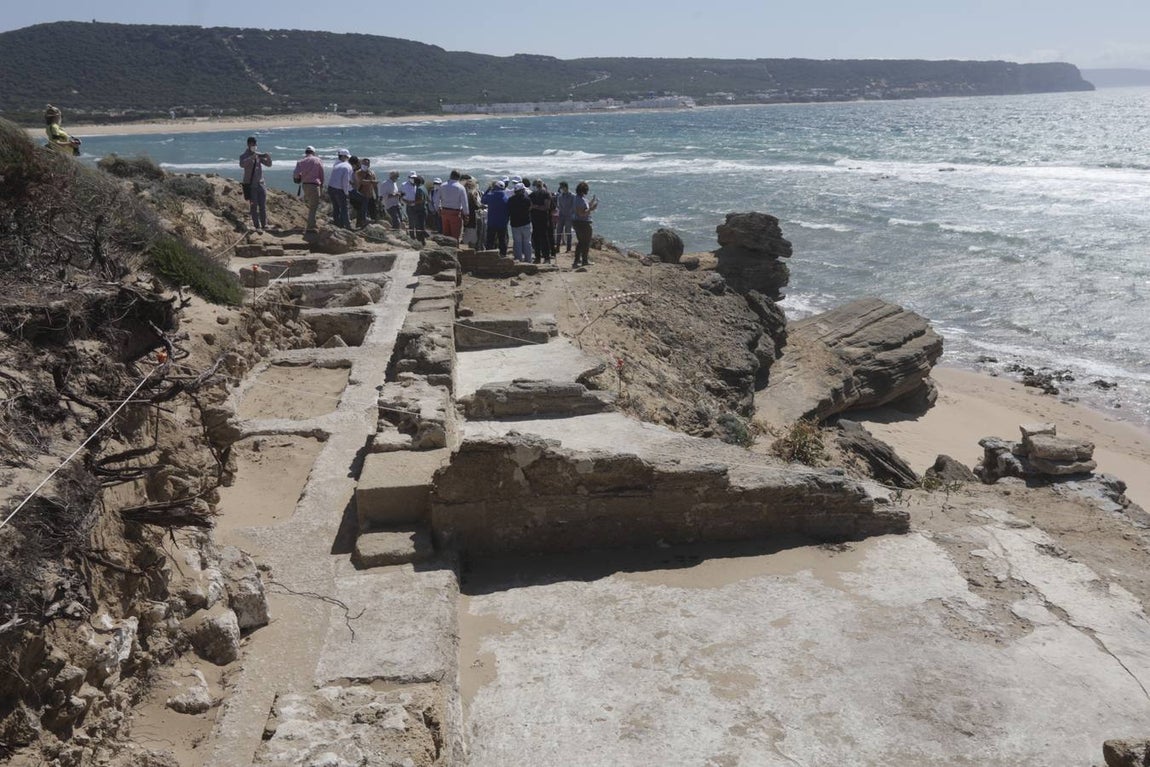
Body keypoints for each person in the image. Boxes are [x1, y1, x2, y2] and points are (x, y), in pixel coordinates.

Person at [239, 136, 272, 230]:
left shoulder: (258, 155)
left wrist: (268, 157)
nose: (255, 146)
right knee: (254, 206)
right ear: (249, 144)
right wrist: (251, 158)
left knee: (263, 205)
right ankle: (257, 226)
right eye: (253, 144)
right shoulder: (244, 156)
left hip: (261, 183)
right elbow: (242, 164)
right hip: (251, 185)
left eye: (256, 144)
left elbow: (269, 164)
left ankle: (264, 224)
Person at [292, 146, 325, 232]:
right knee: (314, 206)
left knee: (310, 204)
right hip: (314, 185)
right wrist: (321, 186)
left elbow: (295, 175)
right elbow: (321, 174)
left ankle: (311, 223)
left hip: (305, 185)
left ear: (306, 153)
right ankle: (311, 226)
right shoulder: (318, 160)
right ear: (313, 152)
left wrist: (300, 177)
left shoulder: (300, 162)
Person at [437, 169, 470, 241]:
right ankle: (454, 250)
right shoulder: (461, 187)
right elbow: (464, 202)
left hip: (444, 212)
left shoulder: (442, 185)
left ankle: (446, 250)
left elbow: (437, 199)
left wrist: (438, 208)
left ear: (450, 176)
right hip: (455, 213)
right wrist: (466, 214)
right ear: (459, 177)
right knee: (455, 236)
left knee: (446, 235)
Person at [572, 181, 598, 268]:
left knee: (581, 242)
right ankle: (584, 261)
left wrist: (592, 202)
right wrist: (591, 209)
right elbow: (581, 213)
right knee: (586, 242)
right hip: (582, 223)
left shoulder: (578, 198)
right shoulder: (579, 199)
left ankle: (577, 260)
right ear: (584, 190)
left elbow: (585, 207)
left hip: (578, 222)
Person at [528, 179, 554, 263]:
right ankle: (546, 258)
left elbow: (531, 207)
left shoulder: (532, 194)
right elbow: (546, 207)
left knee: (537, 238)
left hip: (535, 218)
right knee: (543, 238)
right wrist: (539, 207)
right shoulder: (546, 194)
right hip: (543, 218)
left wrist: (535, 207)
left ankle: (538, 257)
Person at [328, 149, 354, 229]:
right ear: (343, 156)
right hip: (339, 190)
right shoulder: (347, 167)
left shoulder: (336, 165)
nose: (347, 159)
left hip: (331, 188)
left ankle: (337, 225)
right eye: (346, 157)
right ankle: (347, 226)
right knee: (344, 208)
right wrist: (346, 193)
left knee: (336, 207)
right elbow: (345, 181)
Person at [507, 183, 533, 262]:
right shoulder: (527, 199)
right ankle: (528, 259)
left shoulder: (511, 200)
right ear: (522, 190)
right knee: (527, 242)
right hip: (525, 223)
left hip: (515, 224)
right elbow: (530, 208)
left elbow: (509, 210)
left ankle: (518, 259)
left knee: (517, 242)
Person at [482, 180, 510, 256]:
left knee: (490, 241)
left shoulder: (490, 196)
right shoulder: (507, 199)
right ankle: (503, 256)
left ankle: (489, 256)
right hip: (502, 223)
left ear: (495, 187)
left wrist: (488, 189)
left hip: (492, 222)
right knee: (502, 241)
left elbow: (483, 200)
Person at [356, 158, 379, 228]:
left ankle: (372, 226)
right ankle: (359, 224)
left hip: (370, 195)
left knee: (373, 212)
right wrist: (372, 181)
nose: (365, 165)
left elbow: (375, 185)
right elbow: (361, 181)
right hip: (361, 195)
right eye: (364, 164)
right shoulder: (358, 173)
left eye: (367, 164)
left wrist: (377, 195)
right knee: (361, 212)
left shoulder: (372, 173)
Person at [554, 181, 575, 253]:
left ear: (566, 187)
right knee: (558, 231)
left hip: (569, 216)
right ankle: (557, 247)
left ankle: (568, 248)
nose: (561, 189)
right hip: (561, 216)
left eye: (562, 187)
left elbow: (573, 206)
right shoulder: (560, 196)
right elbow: (558, 206)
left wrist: (570, 213)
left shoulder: (572, 196)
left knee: (568, 232)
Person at [401, 172, 421, 239]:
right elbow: (401, 196)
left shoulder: (418, 185)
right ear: (409, 178)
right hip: (409, 206)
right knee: (411, 222)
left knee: (418, 222)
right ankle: (412, 237)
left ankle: (419, 237)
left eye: (414, 178)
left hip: (417, 206)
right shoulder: (404, 185)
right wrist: (407, 202)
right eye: (412, 177)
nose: (413, 179)